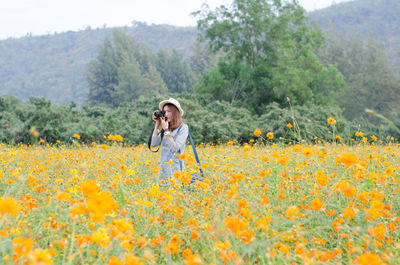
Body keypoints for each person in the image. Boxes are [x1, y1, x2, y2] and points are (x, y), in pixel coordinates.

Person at [151, 98, 189, 185]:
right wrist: (157, 124)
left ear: (175, 113)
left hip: (176, 171)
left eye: (169, 111)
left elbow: (175, 148)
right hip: (163, 171)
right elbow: (154, 144)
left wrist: (166, 131)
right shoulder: (166, 128)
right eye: (164, 112)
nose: (166, 114)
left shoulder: (183, 128)